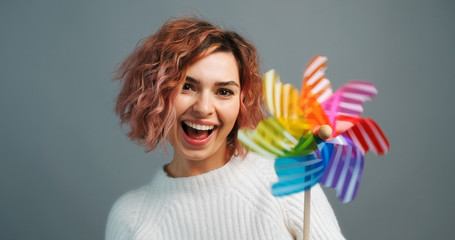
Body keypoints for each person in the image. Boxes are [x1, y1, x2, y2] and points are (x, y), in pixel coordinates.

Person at [106, 17, 345, 240]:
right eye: (187, 86)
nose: (203, 108)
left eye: (224, 92)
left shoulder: (285, 179)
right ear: (157, 93)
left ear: (242, 102)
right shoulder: (131, 218)